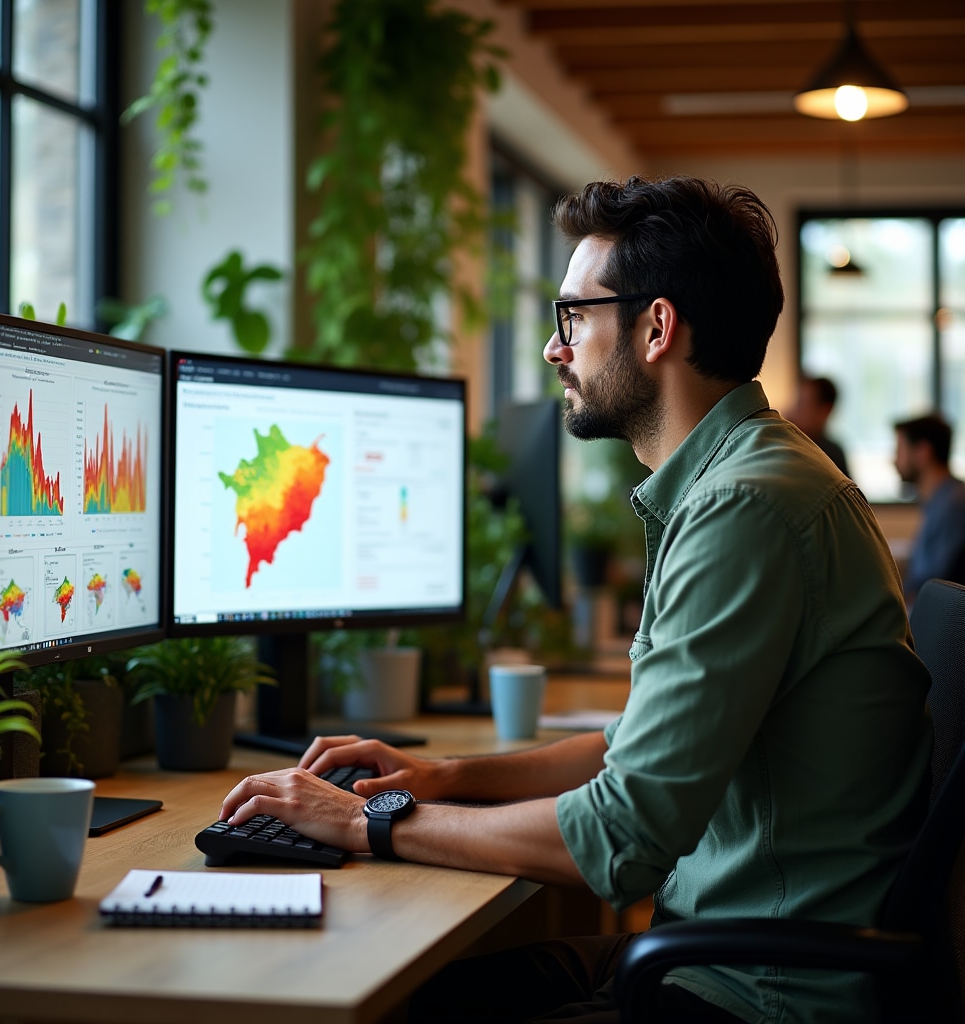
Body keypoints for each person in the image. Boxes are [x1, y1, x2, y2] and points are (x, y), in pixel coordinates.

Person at [218, 176, 932, 1024]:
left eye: (573, 318)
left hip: (757, 992)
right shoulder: (742, 478)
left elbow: (623, 838)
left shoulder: (746, 507)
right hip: (726, 951)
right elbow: (633, 749)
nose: (556, 350)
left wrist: (374, 820)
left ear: (656, 327)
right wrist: (437, 778)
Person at [893, 413, 965, 602]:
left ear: (922, 452)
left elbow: (940, 583)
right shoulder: (939, 500)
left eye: (899, 450)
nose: (893, 460)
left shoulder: (953, 504)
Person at [785, 374, 850, 476]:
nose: (793, 410)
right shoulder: (785, 443)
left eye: (802, 404)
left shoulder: (831, 455)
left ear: (825, 410)